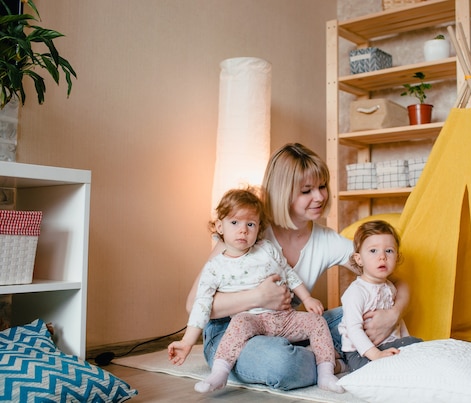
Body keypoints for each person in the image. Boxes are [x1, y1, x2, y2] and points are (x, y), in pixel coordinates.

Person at [186, 142, 410, 390]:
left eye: (322, 187)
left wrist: (393, 314)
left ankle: (323, 356)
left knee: (356, 312)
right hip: (231, 332)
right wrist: (257, 296)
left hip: (286, 326)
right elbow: (193, 304)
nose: (320, 197)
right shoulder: (248, 230)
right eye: (307, 190)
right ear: (283, 193)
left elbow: (396, 279)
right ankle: (335, 361)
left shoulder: (327, 240)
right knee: (282, 363)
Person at [168, 188, 344, 394]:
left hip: (285, 319)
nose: (243, 230)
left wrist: (307, 297)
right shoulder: (215, 267)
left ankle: (326, 373)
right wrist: (187, 341)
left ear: (259, 228)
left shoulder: (266, 250)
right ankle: (218, 374)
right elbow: (201, 304)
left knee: (318, 322)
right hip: (252, 322)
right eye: (235, 223)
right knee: (240, 324)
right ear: (219, 226)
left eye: (250, 224)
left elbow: (288, 272)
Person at [338, 220, 423, 372]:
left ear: (397, 257)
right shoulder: (356, 292)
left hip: (386, 345)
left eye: (389, 251)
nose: (382, 257)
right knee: (409, 351)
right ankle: (344, 365)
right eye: (373, 251)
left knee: (415, 345)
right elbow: (353, 329)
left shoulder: (389, 287)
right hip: (359, 353)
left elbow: (397, 322)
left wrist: (404, 340)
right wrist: (376, 355)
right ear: (359, 259)